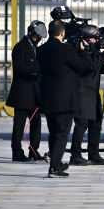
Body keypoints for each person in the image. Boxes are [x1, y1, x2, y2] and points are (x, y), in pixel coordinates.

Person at [38, 20, 92, 177]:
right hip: (65, 99)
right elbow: (83, 67)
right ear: (62, 33)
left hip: (47, 97)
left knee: (54, 132)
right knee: (62, 133)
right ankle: (54, 167)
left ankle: (56, 163)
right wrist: (83, 51)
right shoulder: (66, 49)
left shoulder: (41, 50)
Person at [69, 24, 104, 166]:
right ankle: (75, 155)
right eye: (94, 39)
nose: (96, 41)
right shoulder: (80, 51)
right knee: (81, 124)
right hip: (82, 92)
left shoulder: (92, 50)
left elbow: (98, 67)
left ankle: (93, 154)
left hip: (93, 92)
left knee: (96, 124)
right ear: (86, 39)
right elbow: (91, 65)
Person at [7, 20, 47, 162]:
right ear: (31, 33)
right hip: (22, 94)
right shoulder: (20, 47)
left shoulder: (36, 48)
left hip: (35, 94)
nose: (39, 40)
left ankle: (33, 150)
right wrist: (38, 70)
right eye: (37, 37)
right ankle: (16, 152)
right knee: (19, 124)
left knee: (36, 123)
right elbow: (21, 68)